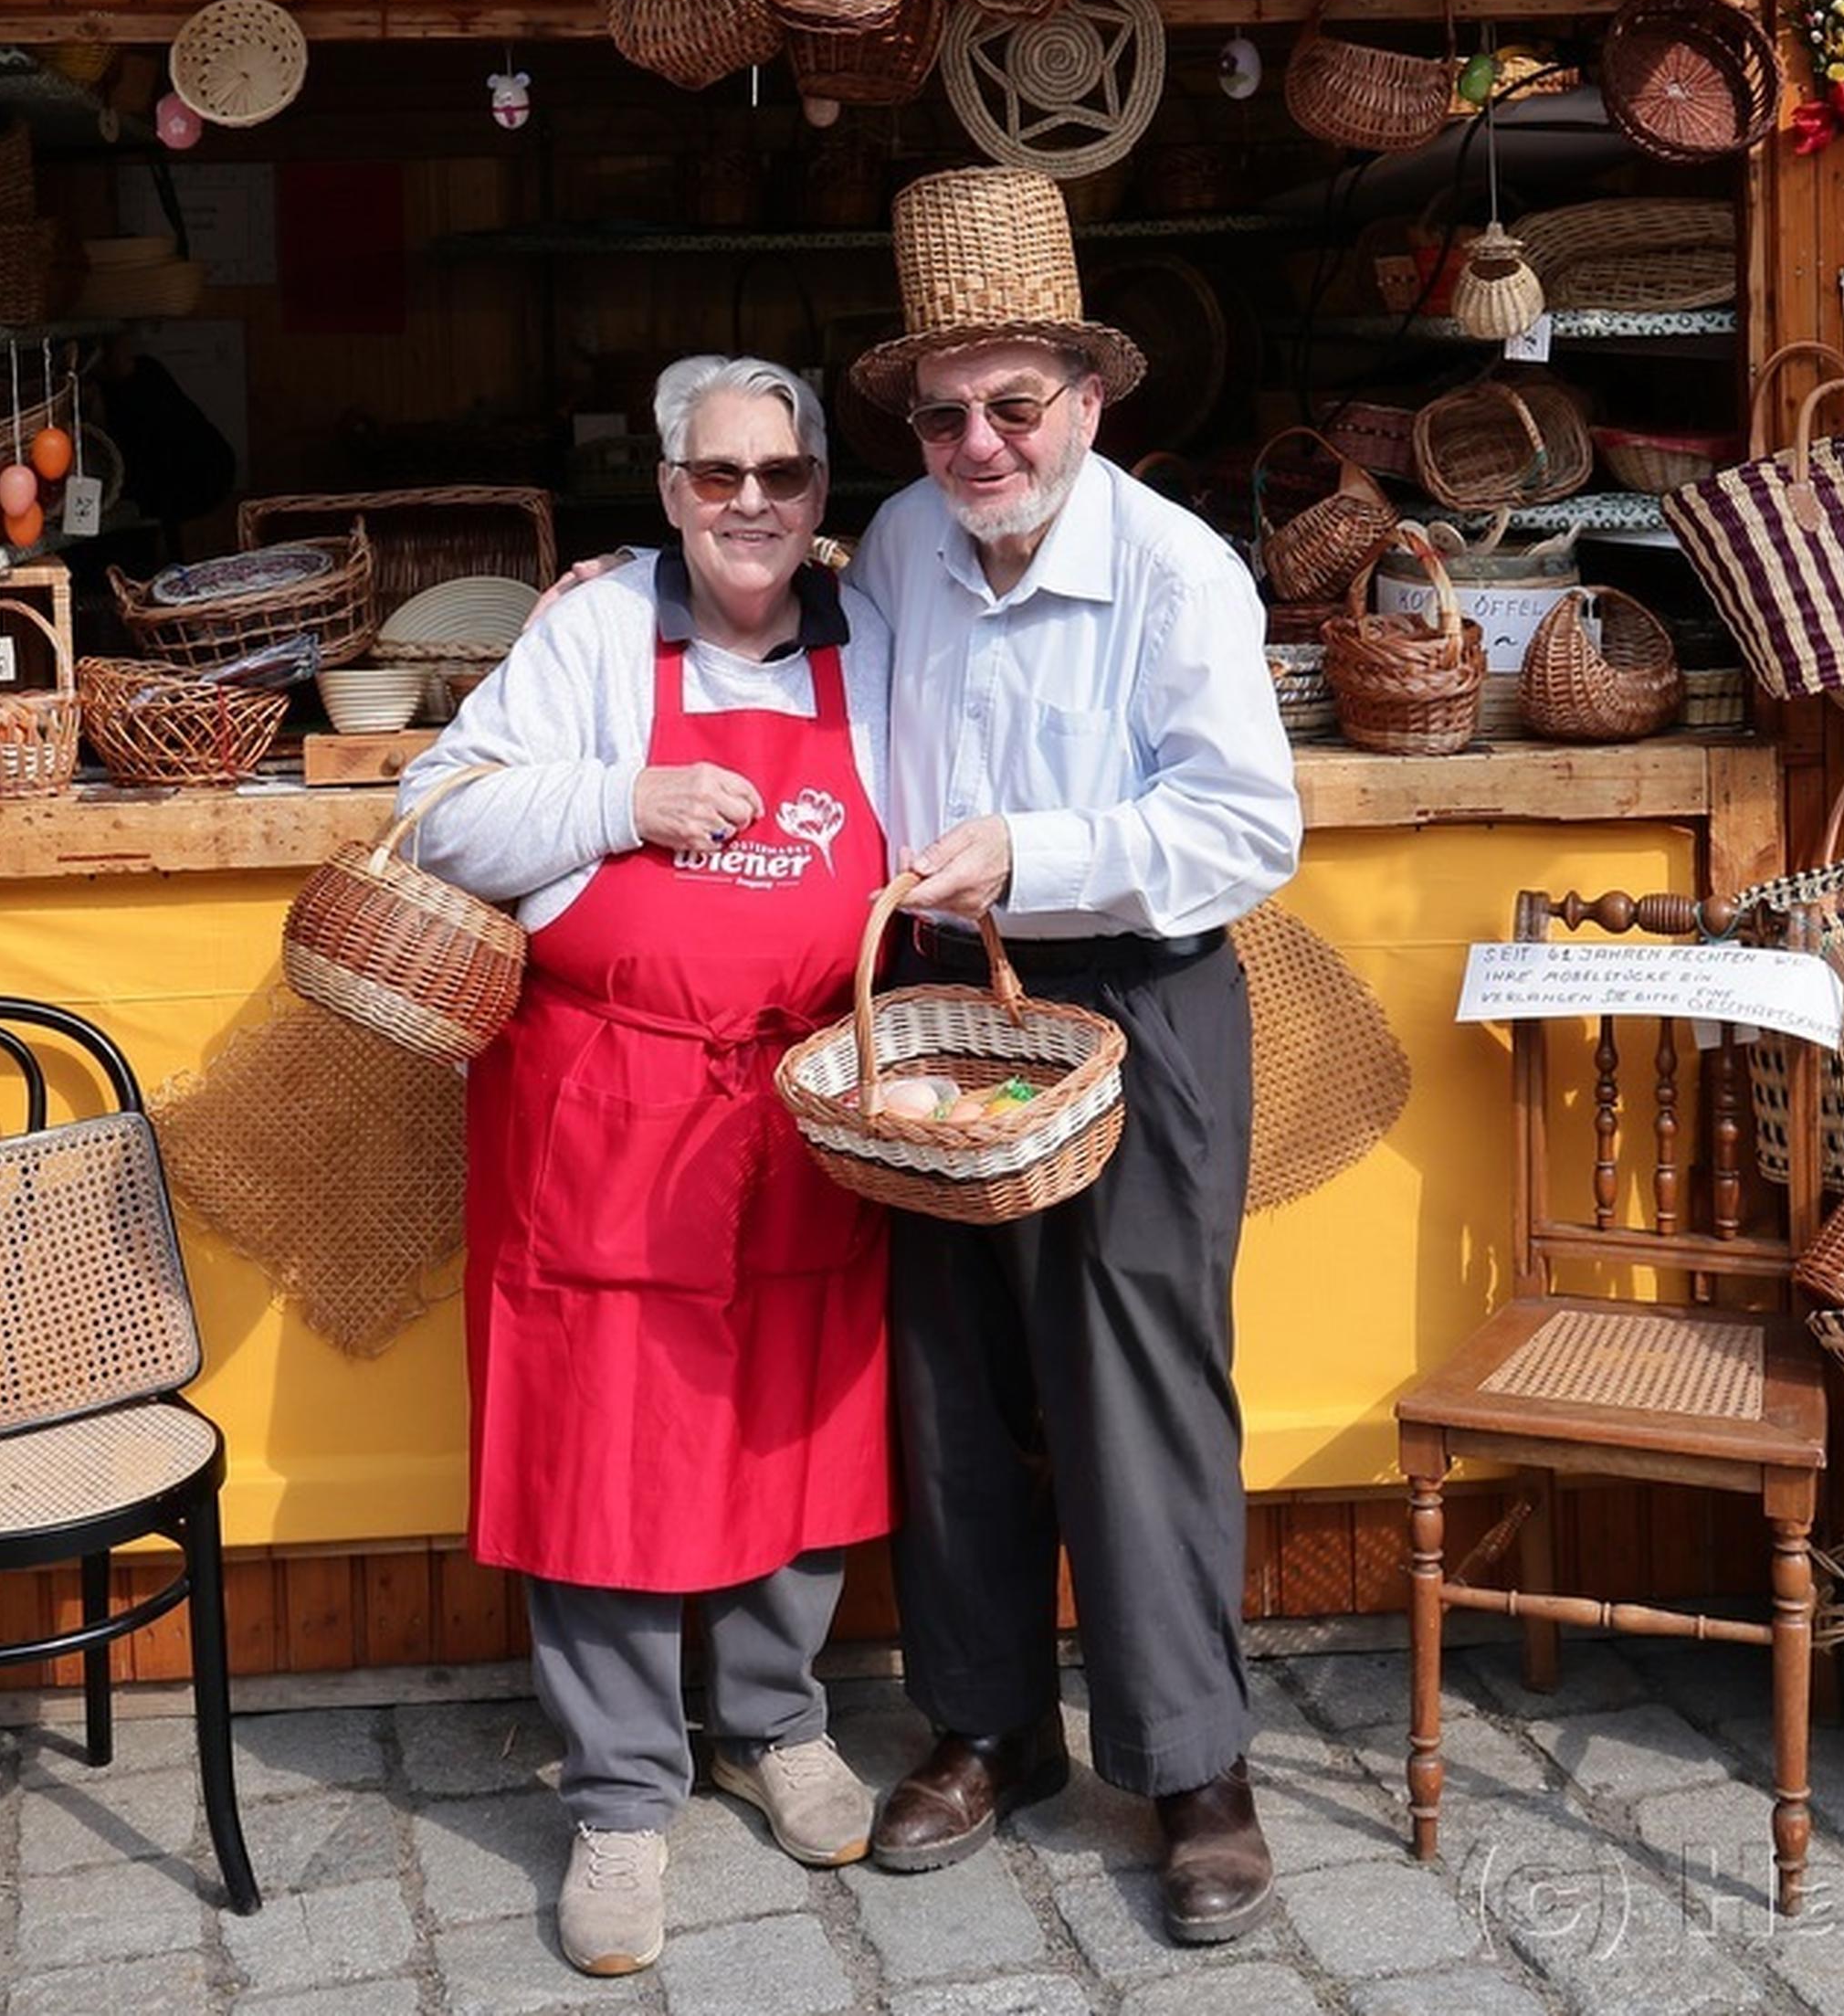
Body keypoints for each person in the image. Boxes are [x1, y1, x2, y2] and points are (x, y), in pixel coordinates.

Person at [841, 165, 1302, 1943]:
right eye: (943, 413)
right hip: (951, 1010)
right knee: (952, 1372)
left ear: (1088, 402)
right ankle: (985, 1727)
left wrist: (1038, 851)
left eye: (1011, 406)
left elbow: (1246, 832)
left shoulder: (1179, 571)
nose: (976, 442)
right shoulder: (894, 545)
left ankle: (1194, 1768)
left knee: (1135, 1385)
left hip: (1140, 1001)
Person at [397, 355, 895, 1980]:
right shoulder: (597, 631)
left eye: (785, 474)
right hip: (610, 1103)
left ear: (824, 496)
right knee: (605, 1432)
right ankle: (621, 1792)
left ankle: (777, 1720)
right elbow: (437, 813)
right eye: (716, 474)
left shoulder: (875, 641)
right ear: (669, 489)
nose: (751, 502)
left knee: (794, 1413)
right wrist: (623, 796)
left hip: (806, 1104)